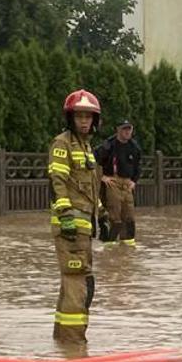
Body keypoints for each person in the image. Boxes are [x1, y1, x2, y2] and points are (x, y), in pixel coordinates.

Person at [49, 90, 104, 345]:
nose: (84, 121)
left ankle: (62, 340)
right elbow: (57, 181)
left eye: (88, 117)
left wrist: (100, 213)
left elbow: (88, 186)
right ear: (70, 118)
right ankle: (73, 344)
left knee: (78, 281)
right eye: (79, 116)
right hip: (70, 226)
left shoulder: (87, 147)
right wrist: (65, 214)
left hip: (84, 227)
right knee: (77, 283)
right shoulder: (63, 144)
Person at [93, 120, 143, 247]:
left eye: (129, 129)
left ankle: (128, 249)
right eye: (124, 129)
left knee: (129, 217)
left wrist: (134, 181)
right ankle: (109, 247)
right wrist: (102, 177)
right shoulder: (108, 145)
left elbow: (138, 166)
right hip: (112, 183)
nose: (127, 132)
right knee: (114, 216)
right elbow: (93, 160)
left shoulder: (134, 147)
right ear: (118, 130)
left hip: (127, 184)